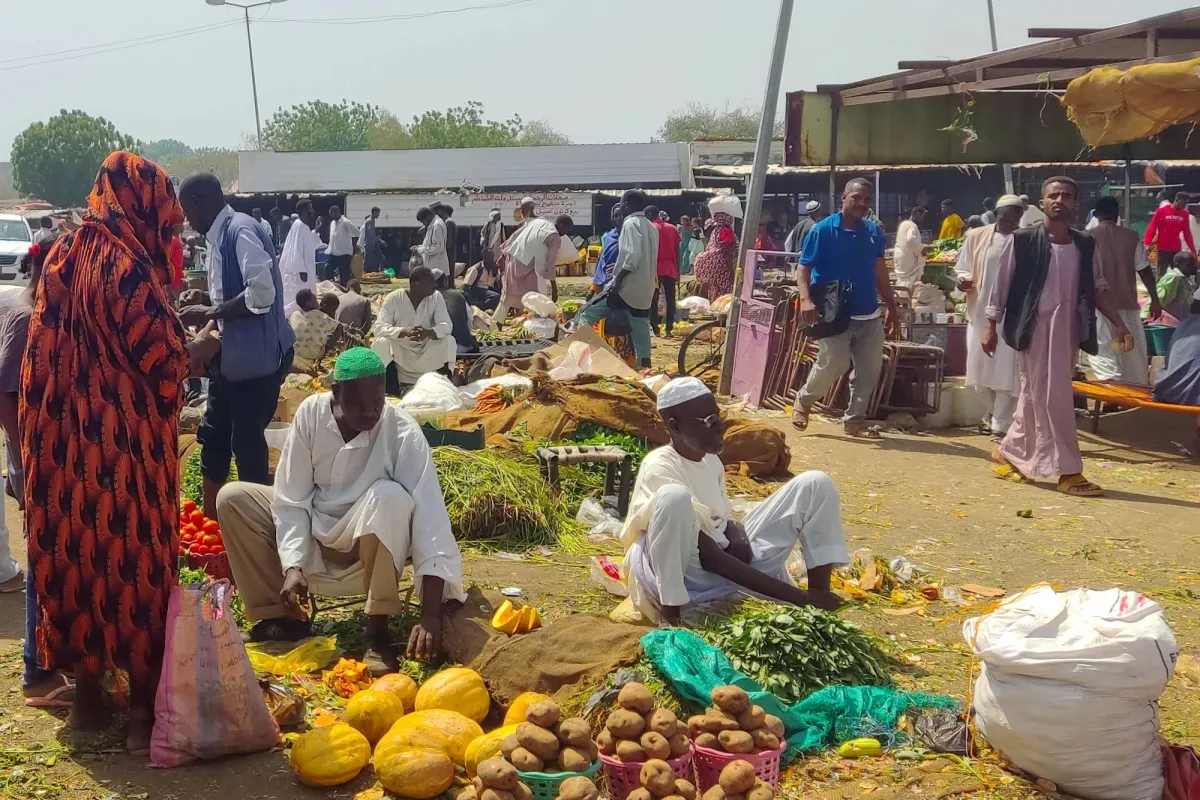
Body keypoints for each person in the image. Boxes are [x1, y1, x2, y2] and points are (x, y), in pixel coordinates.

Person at [22, 152, 218, 753]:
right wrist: (200, 350)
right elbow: (163, 363)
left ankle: (86, 704)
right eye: (164, 220)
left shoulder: (62, 255)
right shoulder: (128, 268)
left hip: (62, 453)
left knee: (77, 568)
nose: (169, 234)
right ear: (140, 207)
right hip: (125, 459)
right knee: (136, 573)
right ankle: (139, 717)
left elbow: (39, 353)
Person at [217, 348, 466, 669]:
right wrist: (293, 565)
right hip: (314, 534)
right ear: (335, 393)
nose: (370, 412)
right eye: (358, 404)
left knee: (390, 496)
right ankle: (279, 619)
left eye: (377, 402)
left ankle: (377, 633)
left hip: (370, 546)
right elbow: (291, 499)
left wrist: (431, 615)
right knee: (233, 499)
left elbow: (431, 521)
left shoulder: (402, 432)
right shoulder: (311, 415)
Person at [621, 377, 848, 623]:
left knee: (816, 483)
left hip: (727, 564)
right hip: (690, 578)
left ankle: (820, 598)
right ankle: (672, 618)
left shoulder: (710, 460)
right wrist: (799, 598)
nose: (720, 427)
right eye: (709, 421)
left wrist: (735, 528)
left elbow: (720, 516)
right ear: (675, 427)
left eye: (718, 417)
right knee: (674, 498)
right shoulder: (659, 467)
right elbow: (709, 557)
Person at [982, 176, 1134, 497]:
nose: (1059, 200)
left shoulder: (1084, 244)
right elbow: (1001, 285)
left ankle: (1008, 453)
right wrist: (990, 324)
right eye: (1054, 195)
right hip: (1033, 330)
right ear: (1042, 203)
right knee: (1054, 398)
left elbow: (1098, 288)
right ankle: (1069, 472)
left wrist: (1119, 323)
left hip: (1068, 333)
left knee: (1035, 395)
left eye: (1066, 196)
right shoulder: (1022, 240)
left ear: (1075, 203)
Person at [178, 172, 296, 516]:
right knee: (214, 436)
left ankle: (253, 524)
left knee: (247, 445)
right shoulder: (219, 236)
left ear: (198, 202)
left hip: (258, 364)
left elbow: (262, 294)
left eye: (187, 211)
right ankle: (211, 522)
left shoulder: (240, 231)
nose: (187, 220)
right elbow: (233, 293)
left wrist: (210, 310)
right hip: (232, 364)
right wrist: (206, 300)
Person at [792, 178, 900, 439]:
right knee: (833, 364)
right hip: (835, 313)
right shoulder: (823, 230)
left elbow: (880, 272)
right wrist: (805, 299)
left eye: (866, 200)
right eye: (856, 198)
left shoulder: (873, 232)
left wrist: (892, 307)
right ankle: (804, 401)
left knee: (869, 371)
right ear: (843, 198)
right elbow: (803, 268)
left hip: (869, 313)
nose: (861, 204)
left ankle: (854, 421)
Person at [953, 195, 1024, 437]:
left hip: (1011, 316)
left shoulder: (1025, 239)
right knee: (979, 371)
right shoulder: (976, 236)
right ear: (996, 214)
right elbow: (962, 267)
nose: (1010, 223)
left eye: (1015, 218)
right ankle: (993, 414)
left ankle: (1001, 425)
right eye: (1005, 218)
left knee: (1006, 373)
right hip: (979, 314)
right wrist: (963, 280)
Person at [577, 190, 658, 369]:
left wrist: (617, 281)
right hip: (645, 290)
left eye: (621, 204)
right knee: (640, 329)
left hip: (627, 288)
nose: (620, 208)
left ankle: (590, 357)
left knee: (585, 314)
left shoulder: (630, 223)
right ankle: (645, 368)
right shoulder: (652, 227)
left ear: (627, 204)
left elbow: (632, 258)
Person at [1088, 195, 1159, 385]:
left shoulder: (1087, 237)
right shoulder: (1131, 237)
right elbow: (1144, 270)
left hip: (1099, 307)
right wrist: (1155, 299)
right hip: (1127, 305)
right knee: (1131, 357)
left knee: (1104, 356)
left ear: (1096, 214)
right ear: (1117, 214)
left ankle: (1110, 394)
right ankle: (1131, 395)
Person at [371, 265, 455, 394]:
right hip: (401, 349)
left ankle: (443, 386)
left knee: (449, 341)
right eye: (430, 283)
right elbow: (378, 327)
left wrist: (428, 332)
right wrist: (404, 331)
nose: (434, 285)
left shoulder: (436, 297)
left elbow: (446, 325)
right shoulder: (394, 298)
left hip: (426, 348)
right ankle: (390, 389)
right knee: (381, 343)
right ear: (416, 284)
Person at [495, 205, 566, 318]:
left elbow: (515, 236)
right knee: (537, 295)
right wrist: (554, 289)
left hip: (514, 258)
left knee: (509, 294)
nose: (566, 233)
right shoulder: (555, 236)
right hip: (527, 266)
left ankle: (499, 320)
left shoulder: (540, 222)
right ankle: (539, 320)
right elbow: (550, 263)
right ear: (561, 225)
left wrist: (504, 254)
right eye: (567, 228)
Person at [279, 199, 323, 318]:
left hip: (305, 271)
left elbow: (309, 246)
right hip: (299, 274)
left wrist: (316, 230)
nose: (312, 211)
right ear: (304, 211)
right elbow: (295, 250)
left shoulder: (304, 226)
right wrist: (301, 270)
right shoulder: (299, 226)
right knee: (298, 300)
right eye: (310, 208)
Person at [693, 195, 741, 301]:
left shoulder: (715, 230)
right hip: (724, 268)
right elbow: (726, 251)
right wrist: (732, 271)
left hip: (713, 269)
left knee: (714, 291)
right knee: (725, 295)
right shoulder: (726, 231)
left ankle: (715, 309)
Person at [1145, 191, 1195, 278]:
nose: (1185, 205)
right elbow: (1152, 227)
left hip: (1176, 250)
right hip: (1162, 248)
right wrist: (1147, 243)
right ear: (1177, 200)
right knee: (1161, 273)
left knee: (1176, 274)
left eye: (1186, 203)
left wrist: (1193, 250)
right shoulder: (1162, 211)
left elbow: (1187, 234)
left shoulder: (1184, 214)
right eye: (1184, 202)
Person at [290, 288, 342, 371]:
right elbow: (339, 326)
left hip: (295, 353)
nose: (317, 302)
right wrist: (328, 343)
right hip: (314, 354)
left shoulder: (294, 315)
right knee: (337, 329)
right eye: (314, 299)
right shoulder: (321, 316)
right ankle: (320, 359)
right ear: (308, 303)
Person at [652, 205, 682, 337]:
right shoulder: (673, 228)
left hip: (655, 268)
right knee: (671, 299)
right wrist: (678, 271)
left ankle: (655, 328)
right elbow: (677, 251)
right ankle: (669, 329)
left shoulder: (652, 228)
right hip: (670, 268)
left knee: (653, 299)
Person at [437, 269, 479, 355]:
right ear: (445, 281)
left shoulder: (427, 298)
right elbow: (470, 322)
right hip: (463, 347)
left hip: (438, 349)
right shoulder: (458, 295)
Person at [1152, 251, 1199, 323]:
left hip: (1180, 323)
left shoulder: (1185, 279)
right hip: (1169, 323)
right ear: (1178, 264)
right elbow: (1158, 300)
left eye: (1195, 264)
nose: (1194, 267)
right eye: (1189, 264)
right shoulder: (1173, 277)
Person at [591, 204, 623, 299]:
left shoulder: (629, 235)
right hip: (605, 280)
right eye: (615, 216)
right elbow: (602, 260)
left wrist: (619, 267)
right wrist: (594, 286)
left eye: (620, 215)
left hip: (621, 280)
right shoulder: (608, 236)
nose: (618, 218)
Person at [893, 206, 927, 287]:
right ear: (917, 214)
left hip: (899, 256)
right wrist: (922, 248)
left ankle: (901, 294)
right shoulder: (912, 225)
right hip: (908, 257)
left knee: (902, 280)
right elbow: (910, 239)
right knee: (909, 281)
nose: (922, 219)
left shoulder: (903, 224)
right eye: (922, 217)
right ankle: (906, 294)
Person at [326, 205, 359, 286]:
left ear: (337, 212)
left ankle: (345, 289)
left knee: (344, 275)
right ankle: (332, 285)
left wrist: (354, 247)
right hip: (334, 252)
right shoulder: (332, 223)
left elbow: (357, 232)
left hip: (344, 253)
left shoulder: (346, 222)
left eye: (332, 214)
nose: (331, 216)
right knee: (327, 268)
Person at [414, 206, 449, 278]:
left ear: (429, 216)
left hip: (437, 269)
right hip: (433, 267)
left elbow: (438, 247)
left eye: (423, 221)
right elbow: (430, 244)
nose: (423, 224)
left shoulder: (437, 225)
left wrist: (420, 250)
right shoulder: (433, 224)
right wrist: (419, 247)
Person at [435, 203, 459, 278]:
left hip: (448, 253)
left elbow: (449, 241)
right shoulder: (446, 222)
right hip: (448, 252)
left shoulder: (448, 222)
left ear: (443, 211)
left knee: (447, 272)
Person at [361, 206, 386, 274]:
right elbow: (370, 234)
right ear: (374, 212)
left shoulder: (373, 220)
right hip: (369, 244)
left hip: (374, 242)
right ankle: (363, 272)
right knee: (367, 260)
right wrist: (380, 241)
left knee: (382, 258)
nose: (378, 215)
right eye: (378, 213)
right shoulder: (369, 221)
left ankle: (381, 272)